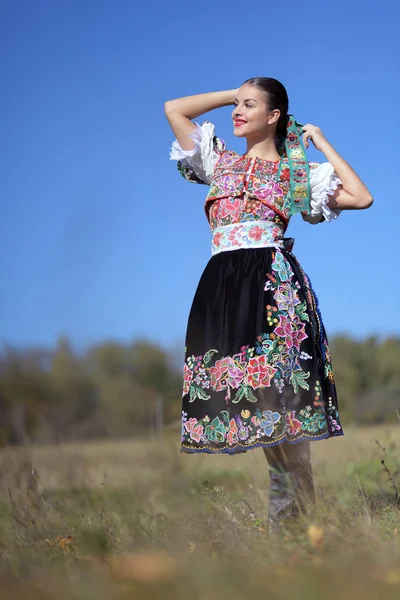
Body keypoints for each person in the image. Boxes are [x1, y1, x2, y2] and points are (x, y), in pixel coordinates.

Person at [165, 78, 373, 528]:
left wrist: (320, 142)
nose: (236, 112)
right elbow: (174, 109)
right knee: (256, 408)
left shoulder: (296, 174)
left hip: (273, 289)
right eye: (235, 105)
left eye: (248, 105)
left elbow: (361, 197)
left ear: (274, 116)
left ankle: (296, 528)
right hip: (222, 288)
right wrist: (233, 92)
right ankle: (293, 524)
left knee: (283, 404)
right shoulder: (217, 160)